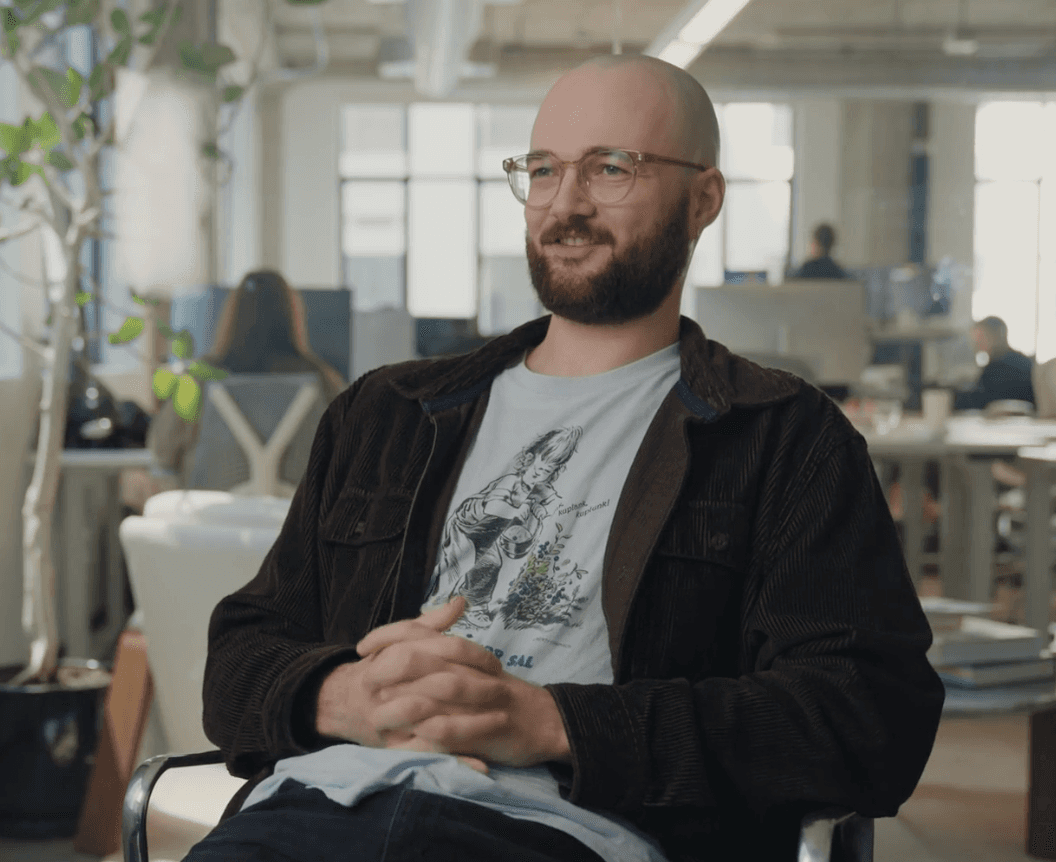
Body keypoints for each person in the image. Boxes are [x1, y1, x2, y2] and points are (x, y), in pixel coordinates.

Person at [189, 56, 944, 862]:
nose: (565, 203)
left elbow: (866, 720)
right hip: (306, 818)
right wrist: (340, 697)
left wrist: (552, 723)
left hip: (557, 837)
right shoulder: (388, 415)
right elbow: (237, 659)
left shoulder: (783, 440)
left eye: (611, 168)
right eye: (543, 169)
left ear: (703, 200)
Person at [146, 269, 347, 490]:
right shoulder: (323, 380)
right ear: (293, 316)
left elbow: (162, 450)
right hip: (298, 516)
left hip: (215, 514)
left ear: (231, 316)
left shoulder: (201, 377)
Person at [954, 315, 1035, 410]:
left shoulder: (996, 368)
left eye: (980, 337)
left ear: (993, 336)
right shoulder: (1025, 361)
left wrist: (951, 395)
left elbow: (979, 401)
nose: (975, 342)